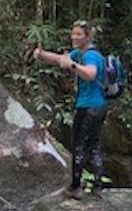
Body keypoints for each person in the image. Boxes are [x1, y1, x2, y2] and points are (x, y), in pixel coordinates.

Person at [33, 20, 108, 198]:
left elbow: (90, 74)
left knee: (79, 145)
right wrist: (42, 55)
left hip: (89, 106)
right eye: (73, 33)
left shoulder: (90, 56)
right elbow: (60, 59)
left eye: (78, 34)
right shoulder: (80, 53)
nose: (74, 37)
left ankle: (76, 187)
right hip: (99, 106)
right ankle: (97, 186)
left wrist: (72, 66)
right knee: (93, 144)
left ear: (88, 36)